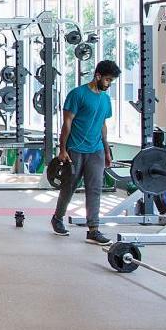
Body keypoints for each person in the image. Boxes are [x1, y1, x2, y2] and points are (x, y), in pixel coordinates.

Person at [51, 60, 120, 245]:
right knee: (69, 186)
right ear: (97, 76)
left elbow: (103, 125)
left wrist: (107, 151)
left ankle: (93, 229)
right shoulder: (77, 94)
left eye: (111, 81)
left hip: (96, 150)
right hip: (75, 149)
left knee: (95, 189)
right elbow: (67, 123)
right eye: (107, 80)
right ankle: (57, 218)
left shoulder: (105, 99)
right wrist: (62, 149)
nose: (109, 84)